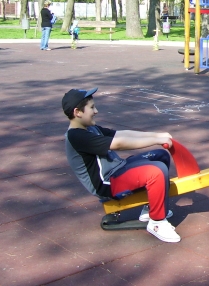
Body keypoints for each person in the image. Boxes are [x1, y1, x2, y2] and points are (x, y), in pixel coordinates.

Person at [62, 87, 181, 242]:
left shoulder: (90, 128)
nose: (96, 111)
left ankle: (150, 208)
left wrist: (157, 135)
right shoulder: (76, 136)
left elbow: (121, 134)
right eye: (92, 108)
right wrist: (156, 140)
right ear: (78, 112)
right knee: (156, 172)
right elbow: (118, 143)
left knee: (160, 155)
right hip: (106, 184)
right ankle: (157, 223)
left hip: (117, 170)